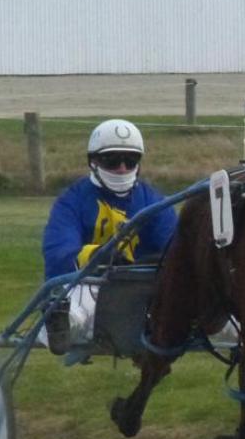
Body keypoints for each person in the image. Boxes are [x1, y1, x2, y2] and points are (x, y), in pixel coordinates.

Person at [42, 119, 178, 355]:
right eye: (112, 161)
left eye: (131, 160)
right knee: (77, 306)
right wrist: (98, 255)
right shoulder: (71, 201)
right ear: (93, 161)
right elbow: (58, 252)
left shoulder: (155, 203)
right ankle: (61, 323)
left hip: (143, 288)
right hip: (87, 284)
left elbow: (175, 249)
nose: (123, 168)